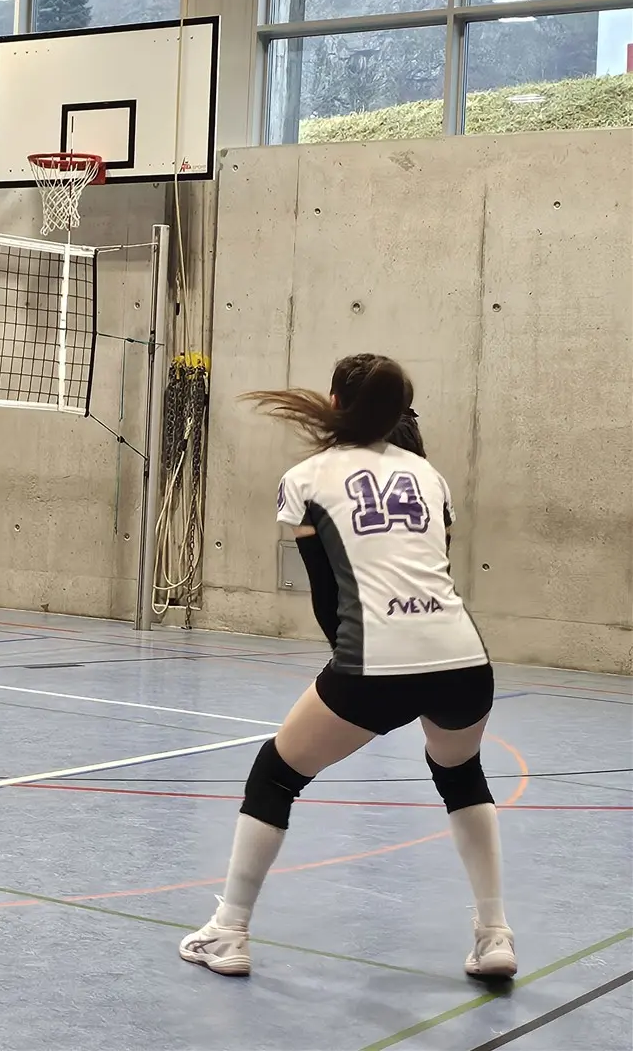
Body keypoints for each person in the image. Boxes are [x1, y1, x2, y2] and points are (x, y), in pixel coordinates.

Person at [179, 354, 514, 981]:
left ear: (336, 404)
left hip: (376, 662)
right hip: (466, 658)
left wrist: (350, 671)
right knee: (462, 774)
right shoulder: (430, 477)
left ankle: (228, 933)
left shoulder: (305, 477)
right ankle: (494, 936)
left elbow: (327, 597)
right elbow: (430, 571)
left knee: (275, 776)